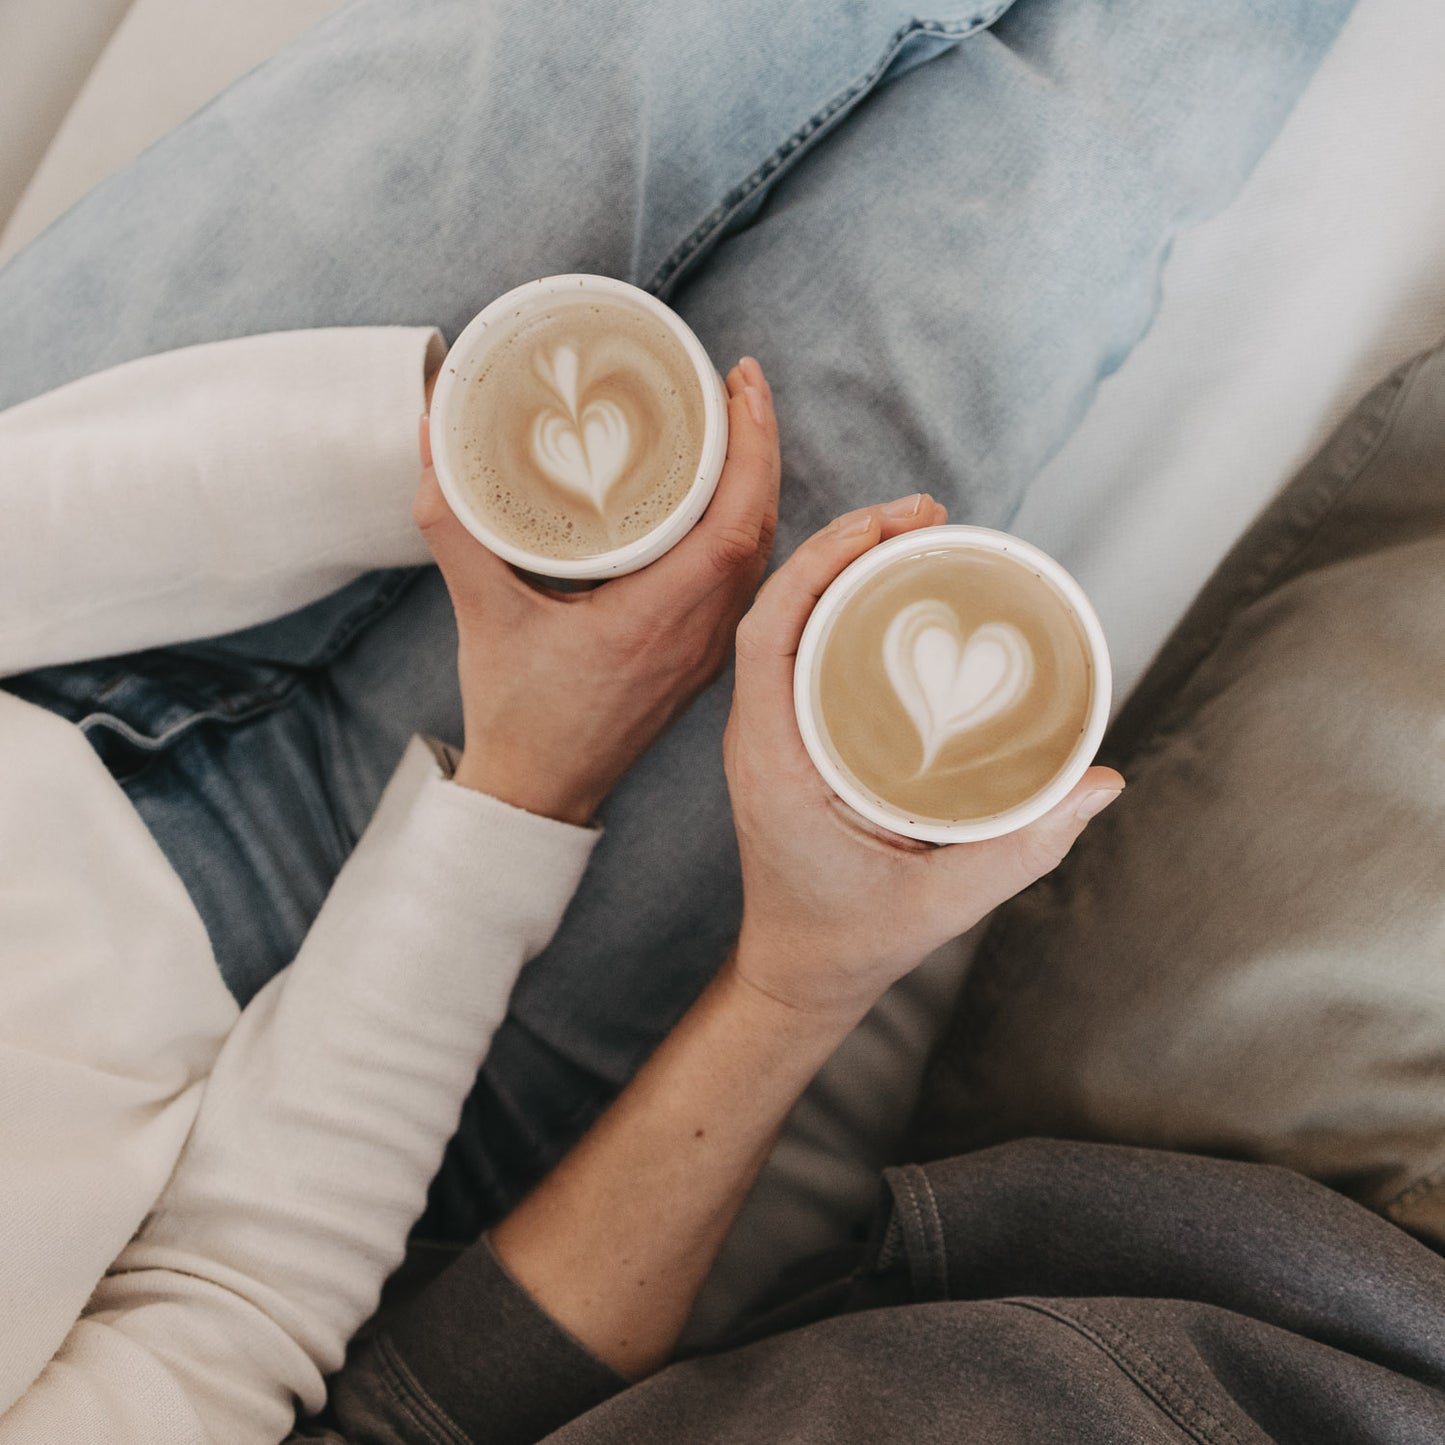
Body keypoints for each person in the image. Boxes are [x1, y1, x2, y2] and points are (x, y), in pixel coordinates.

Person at [0, 0, 1358, 1250]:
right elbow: (244, 1302)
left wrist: (414, 436)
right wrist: (528, 794)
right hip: (352, 1092)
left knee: (630, 41)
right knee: (1028, 226)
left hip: (35, 609)